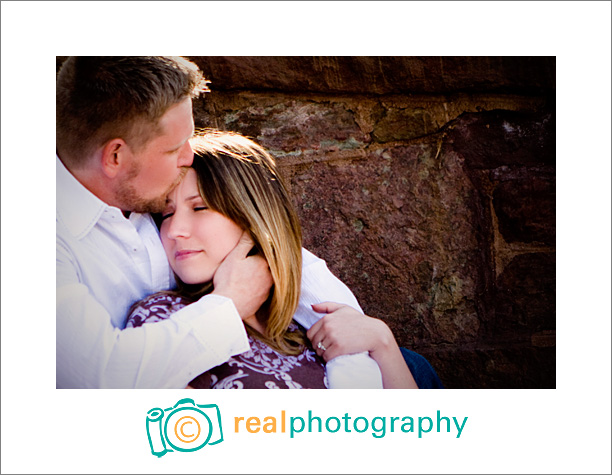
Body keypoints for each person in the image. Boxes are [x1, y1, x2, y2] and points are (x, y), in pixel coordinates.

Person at [56, 56, 384, 389]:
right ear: (116, 157)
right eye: (174, 149)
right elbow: (101, 377)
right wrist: (232, 302)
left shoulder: (147, 192)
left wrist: (352, 356)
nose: (189, 156)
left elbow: (283, 255)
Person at [126, 131, 418, 389]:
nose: (175, 230)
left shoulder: (307, 320)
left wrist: (383, 343)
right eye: (166, 214)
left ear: (251, 215)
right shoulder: (160, 320)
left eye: (200, 208)